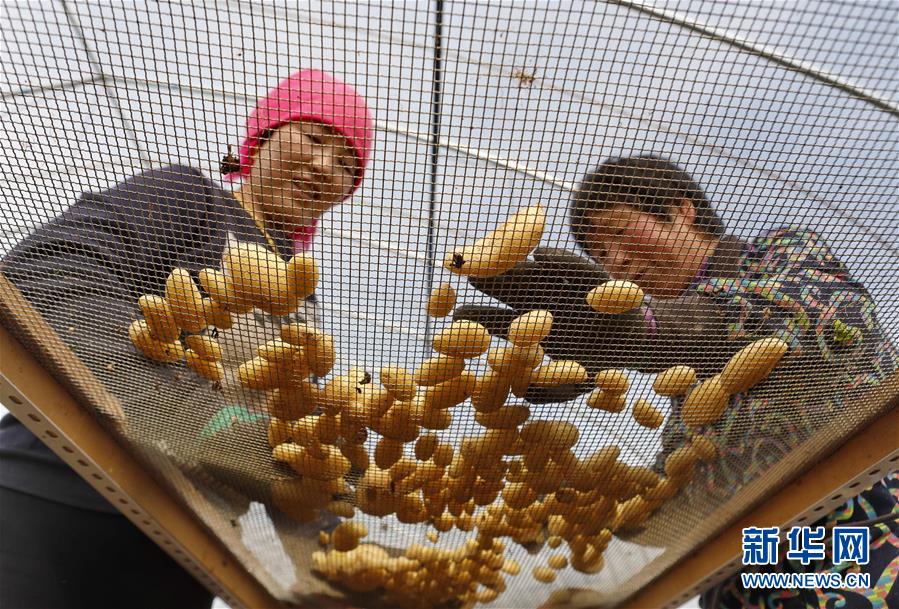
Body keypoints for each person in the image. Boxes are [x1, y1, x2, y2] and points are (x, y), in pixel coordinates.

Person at [0, 68, 373, 609]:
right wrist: (200, 418)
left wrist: (334, 562)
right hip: (62, 488)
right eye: (315, 138)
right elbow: (45, 273)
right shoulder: (191, 199)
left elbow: (281, 448)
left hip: (190, 544)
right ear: (263, 136)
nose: (325, 167)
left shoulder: (302, 300)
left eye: (346, 165)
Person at [455, 155, 898, 607]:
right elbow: (686, 497)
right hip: (746, 580)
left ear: (682, 210)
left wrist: (652, 331)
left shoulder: (777, 255)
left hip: (864, 542)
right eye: (600, 256)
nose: (617, 261)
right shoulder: (683, 385)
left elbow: (831, 323)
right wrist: (582, 508)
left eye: (619, 232)